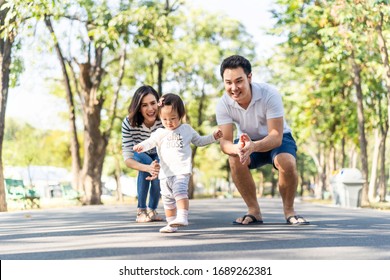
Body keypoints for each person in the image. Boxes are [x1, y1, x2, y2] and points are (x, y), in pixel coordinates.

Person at [216, 55, 309, 225]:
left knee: (287, 162)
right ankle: (254, 211)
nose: (234, 88)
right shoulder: (223, 104)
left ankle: (289, 211)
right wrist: (238, 149)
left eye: (239, 81)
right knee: (234, 158)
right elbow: (225, 142)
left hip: (277, 139)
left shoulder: (269, 94)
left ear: (249, 78)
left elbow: (276, 136)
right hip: (247, 140)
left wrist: (254, 146)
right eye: (228, 83)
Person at [133, 93, 223, 233]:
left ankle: (182, 216)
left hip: (181, 171)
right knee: (168, 200)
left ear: (181, 115)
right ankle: (171, 224)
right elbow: (150, 142)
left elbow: (200, 141)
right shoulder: (159, 133)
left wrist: (213, 137)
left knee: (180, 192)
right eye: (164, 119)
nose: (169, 122)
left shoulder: (186, 130)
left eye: (173, 118)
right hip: (165, 174)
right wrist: (142, 146)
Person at [121, 85, 164, 223]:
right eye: (144, 105)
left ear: (158, 103)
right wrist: (148, 168)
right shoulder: (129, 123)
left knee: (157, 171)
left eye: (153, 103)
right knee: (147, 163)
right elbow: (127, 159)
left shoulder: (165, 118)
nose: (150, 109)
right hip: (139, 153)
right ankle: (141, 211)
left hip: (159, 152)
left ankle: (152, 210)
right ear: (138, 107)